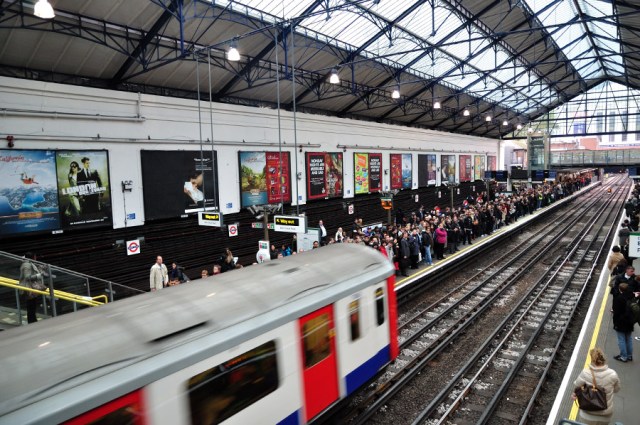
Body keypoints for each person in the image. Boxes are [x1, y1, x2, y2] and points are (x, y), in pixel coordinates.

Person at [571, 347, 620, 425]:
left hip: (587, 414)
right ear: (603, 359)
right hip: (605, 415)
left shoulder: (585, 373)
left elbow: (577, 386)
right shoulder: (612, 374)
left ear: (592, 359)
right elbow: (617, 389)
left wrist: (575, 394)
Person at [19, 252, 46, 324]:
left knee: (32, 304)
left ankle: (33, 320)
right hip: (29, 287)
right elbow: (27, 277)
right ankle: (32, 321)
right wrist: (38, 276)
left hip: (30, 287)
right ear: (32, 257)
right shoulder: (26, 265)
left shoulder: (28, 264)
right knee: (31, 305)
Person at [612, 282, 634, 362]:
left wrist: (613, 312)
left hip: (621, 321)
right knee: (629, 339)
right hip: (630, 320)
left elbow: (616, 311)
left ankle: (623, 357)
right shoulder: (631, 296)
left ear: (620, 289)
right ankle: (629, 356)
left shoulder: (618, 298)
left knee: (621, 339)